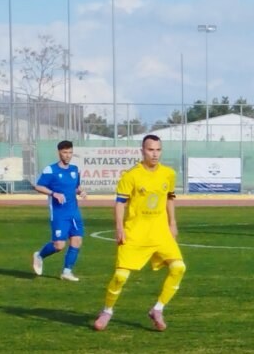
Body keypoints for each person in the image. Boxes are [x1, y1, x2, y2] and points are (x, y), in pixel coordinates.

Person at [93, 135, 187, 332]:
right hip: (135, 233)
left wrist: (172, 222)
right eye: (150, 150)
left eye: (158, 150)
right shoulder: (131, 176)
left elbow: (169, 198)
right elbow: (120, 203)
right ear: (142, 151)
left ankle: (158, 309)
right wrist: (119, 227)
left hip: (160, 232)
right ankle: (107, 311)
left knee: (179, 267)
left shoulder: (168, 174)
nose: (155, 154)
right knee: (120, 276)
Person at [32, 140, 87, 281]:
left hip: (74, 212)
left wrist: (80, 191)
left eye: (70, 152)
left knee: (77, 240)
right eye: (65, 152)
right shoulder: (51, 170)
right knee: (59, 245)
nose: (68, 155)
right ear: (59, 153)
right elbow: (38, 186)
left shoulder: (75, 170)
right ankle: (39, 255)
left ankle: (66, 272)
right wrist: (53, 193)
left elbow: (76, 187)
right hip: (59, 213)